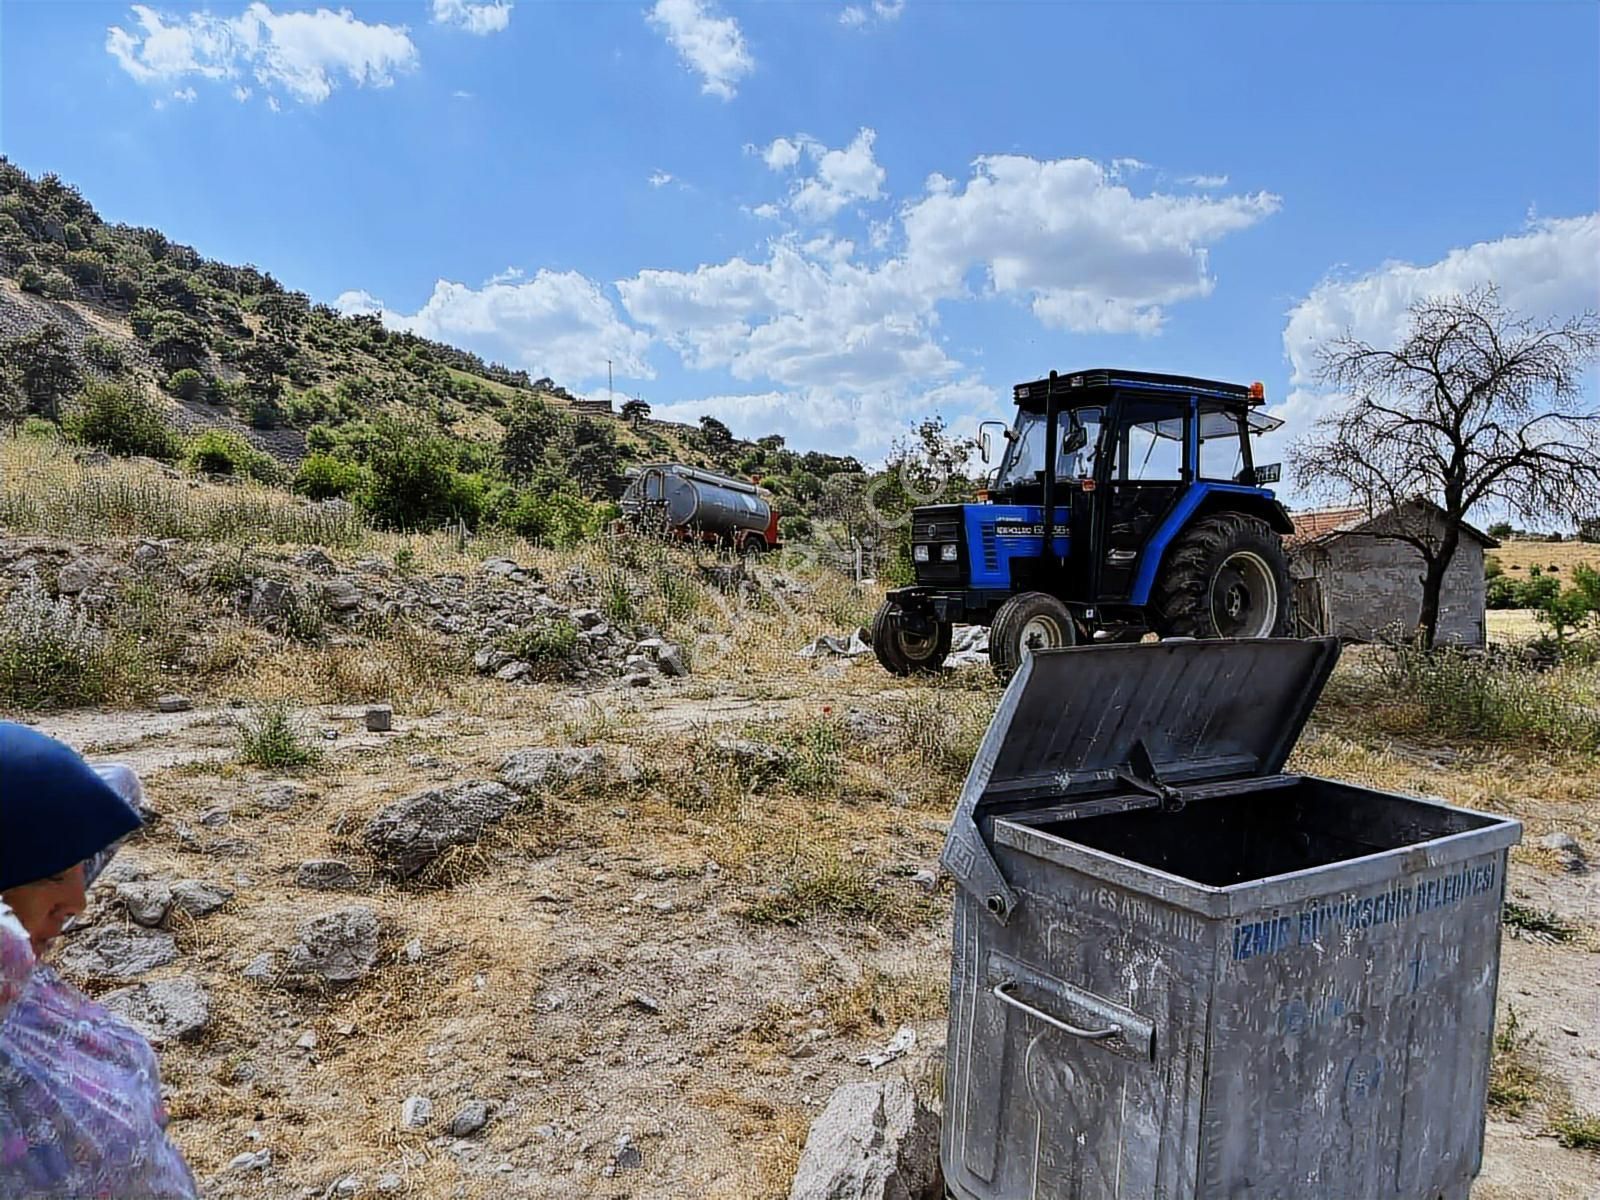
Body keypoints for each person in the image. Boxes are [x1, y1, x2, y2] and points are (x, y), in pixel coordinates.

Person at [0, 721, 198, 1199]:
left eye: (77, 867)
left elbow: (117, 784)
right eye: (49, 873)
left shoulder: (23, 987)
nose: (78, 901)